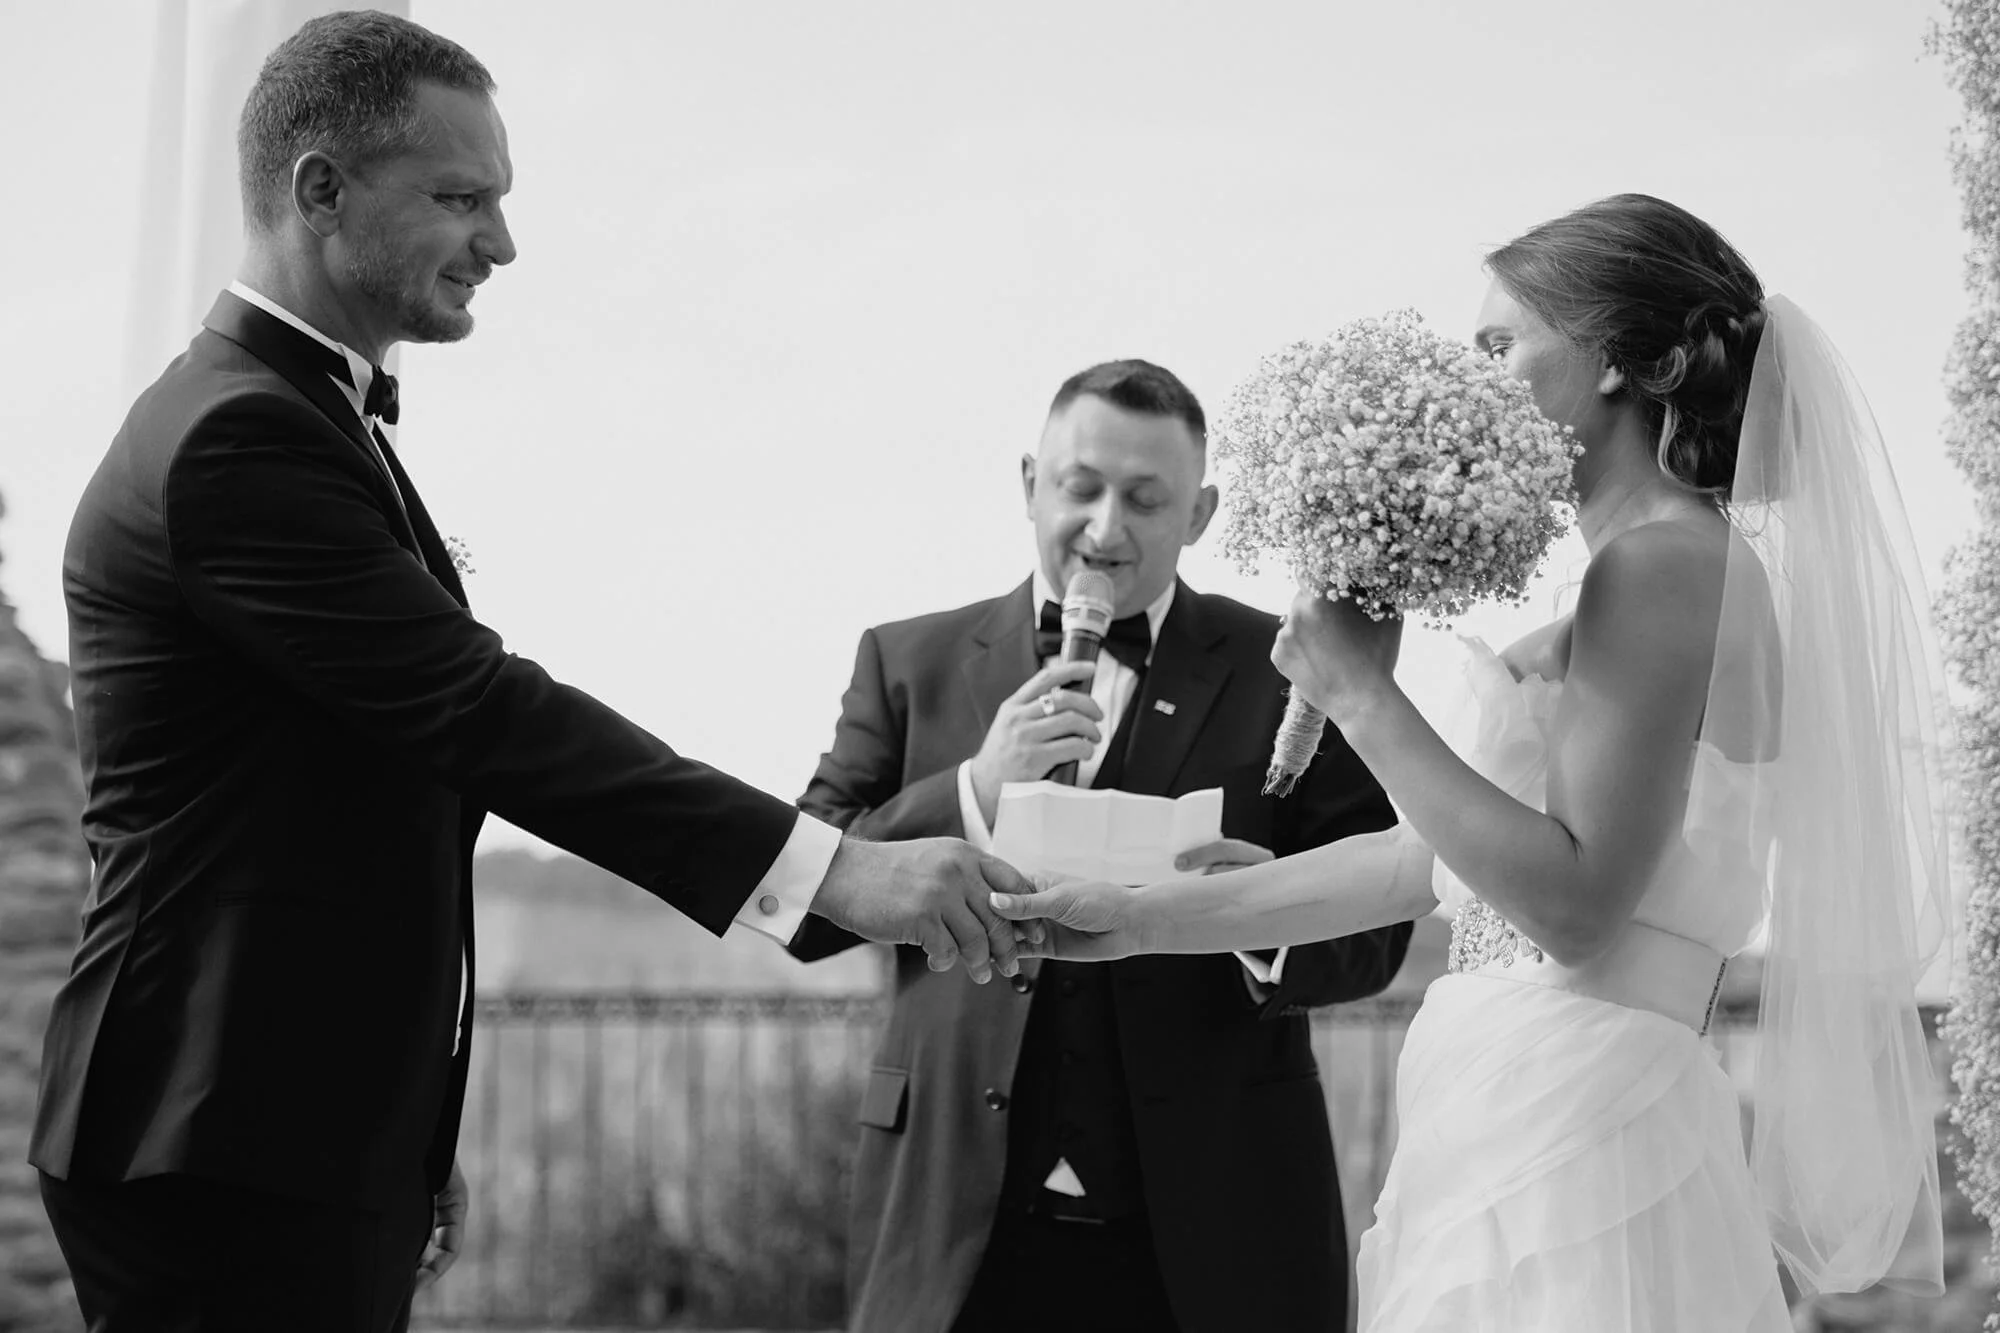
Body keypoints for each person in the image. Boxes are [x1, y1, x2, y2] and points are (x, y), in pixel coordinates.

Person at [30, 13, 1030, 1332]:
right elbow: (481, 713)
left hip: (282, 1125)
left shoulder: (299, 416)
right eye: (460, 199)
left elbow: (364, 803)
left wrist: (400, 1126)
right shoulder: (234, 440)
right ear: (319, 190)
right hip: (215, 1136)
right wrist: (834, 870)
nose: (500, 243)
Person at [992, 195, 1955, 1330]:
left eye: (1499, 346)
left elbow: (1574, 906)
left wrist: (1361, 693)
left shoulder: (1660, 567)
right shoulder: (1635, 580)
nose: (1473, 381)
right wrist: (1134, 917)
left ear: (1613, 362)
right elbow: (1425, 862)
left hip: (1576, 1134)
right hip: (1523, 1107)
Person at [789, 359, 1411, 1332]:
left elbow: (1379, 935)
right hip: (951, 1222)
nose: (1104, 528)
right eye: (1080, 488)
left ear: (1199, 514)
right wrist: (972, 789)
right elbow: (801, 905)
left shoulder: (1292, 669)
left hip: (1215, 1226)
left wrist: (1263, 915)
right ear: (1029, 482)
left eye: (1144, 499)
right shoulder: (906, 660)